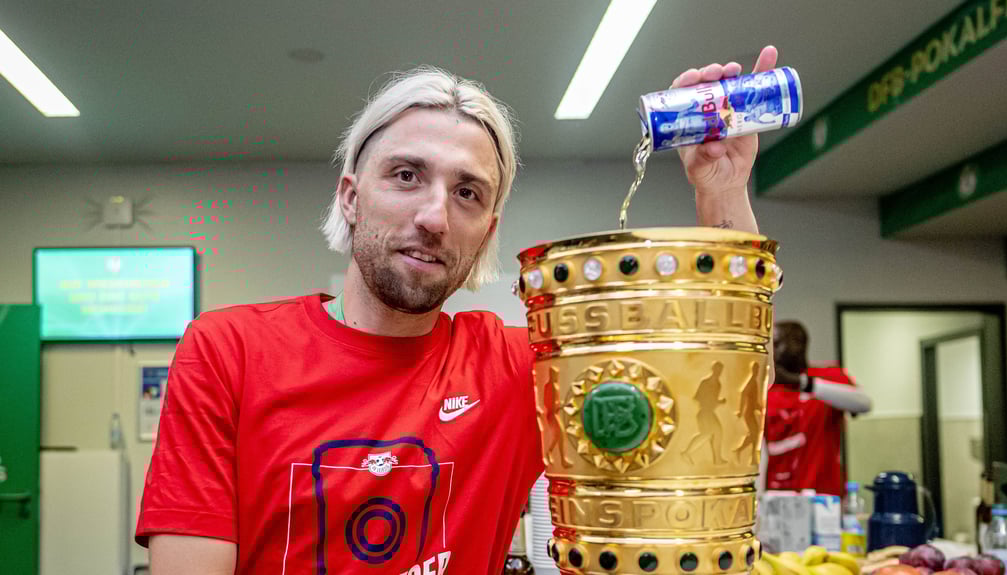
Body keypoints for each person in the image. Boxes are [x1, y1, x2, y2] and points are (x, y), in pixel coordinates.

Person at [135, 46, 781, 574]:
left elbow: (719, 392)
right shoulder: (229, 351)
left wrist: (722, 192)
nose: (435, 216)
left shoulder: (519, 366)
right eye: (407, 175)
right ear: (352, 196)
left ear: (487, 231)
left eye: (467, 192)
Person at [763, 320, 872, 496]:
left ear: (799, 344)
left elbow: (864, 404)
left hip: (824, 496)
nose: (772, 352)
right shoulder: (766, 389)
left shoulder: (827, 375)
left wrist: (804, 384)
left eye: (776, 343)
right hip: (779, 495)